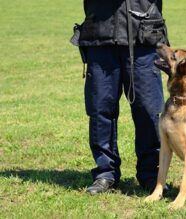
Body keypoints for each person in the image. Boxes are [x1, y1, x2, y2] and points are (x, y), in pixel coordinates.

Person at [71, 0, 169, 193]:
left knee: (148, 109)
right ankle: (105, 173)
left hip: (143, 37)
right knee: (100, 110)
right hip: (100, 36)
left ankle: (151, 174)